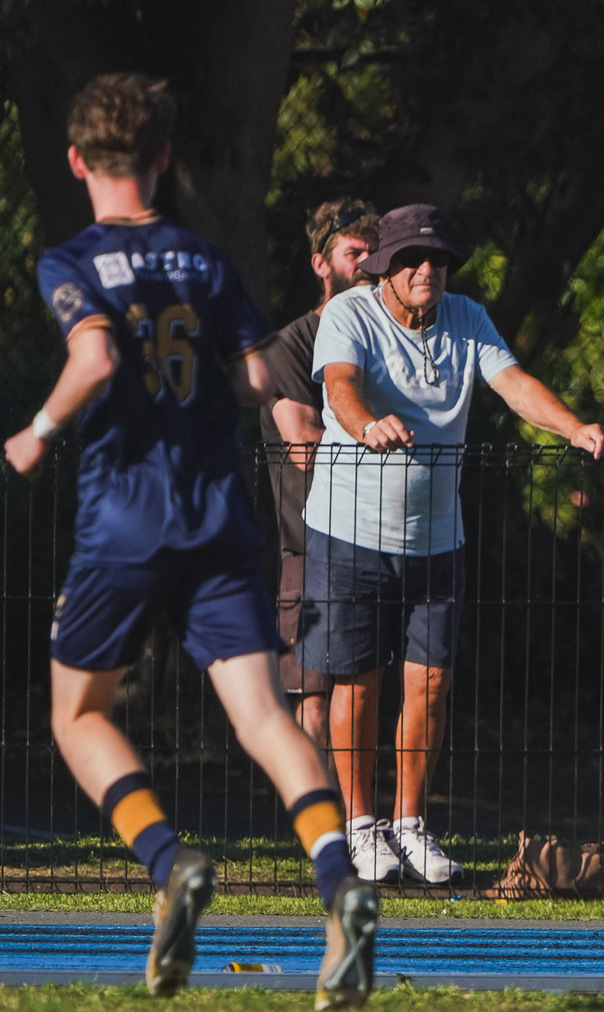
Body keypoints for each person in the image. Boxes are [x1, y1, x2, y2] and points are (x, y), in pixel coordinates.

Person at [2, 73, 375, 1006]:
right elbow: (256, 376)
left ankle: (170, 864)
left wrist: (35, 436)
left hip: (124, 517)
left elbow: (91, 357)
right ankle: (339, 883)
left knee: (78, 715)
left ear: (78, 160)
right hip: (217, 513)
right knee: (261, 716)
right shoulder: (206, 261)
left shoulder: (71, 260)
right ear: (164, 159)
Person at [297, 204, 604, 884]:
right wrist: (364, 426)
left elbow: (513, 383)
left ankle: (410, 825)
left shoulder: (467, 318)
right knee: (356, 683)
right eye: (411, 259)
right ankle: (359, 827)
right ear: (382, 266)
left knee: (432, 684)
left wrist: (572, 428)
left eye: (436, 259)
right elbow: (341, 387)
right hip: (350, 529)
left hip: (437, 536)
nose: (425, 270)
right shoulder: (352, 315)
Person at [262, 198, 379, 757]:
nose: (365, 264)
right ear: (320, 263)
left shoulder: (389, 338)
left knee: (368, 686)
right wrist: (379, 435)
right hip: (311, 541)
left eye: (373, 254)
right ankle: (320, 820)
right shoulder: (292, 345)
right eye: (353, 252)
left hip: (380, 536)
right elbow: (306, 447)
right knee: (312, 690)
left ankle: (362, 823)